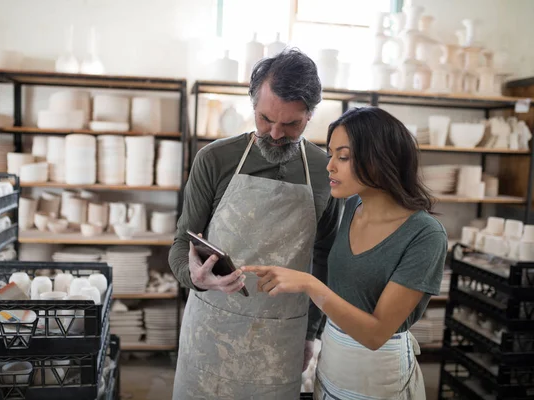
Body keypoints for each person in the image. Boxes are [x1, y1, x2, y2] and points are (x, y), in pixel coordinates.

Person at [168, 48, 342, 399]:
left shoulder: (327, 172)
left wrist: (312, 333)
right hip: (211, 331)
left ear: (310, 115)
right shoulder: (215, 159)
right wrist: (195, 278)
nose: (275, 133)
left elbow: (324, 257)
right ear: (253, 106)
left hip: (280, 339)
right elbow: (179, 245)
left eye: (291, 124)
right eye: (264, 119)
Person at [243, 107, 447, 400]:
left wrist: (309, 284)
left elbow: (375, 335)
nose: (330, 166)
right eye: (331, 155)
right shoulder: (351, 208)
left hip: (379, 379)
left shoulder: (425, 235)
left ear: (380, 159)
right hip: (332, 365)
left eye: (343, 157)